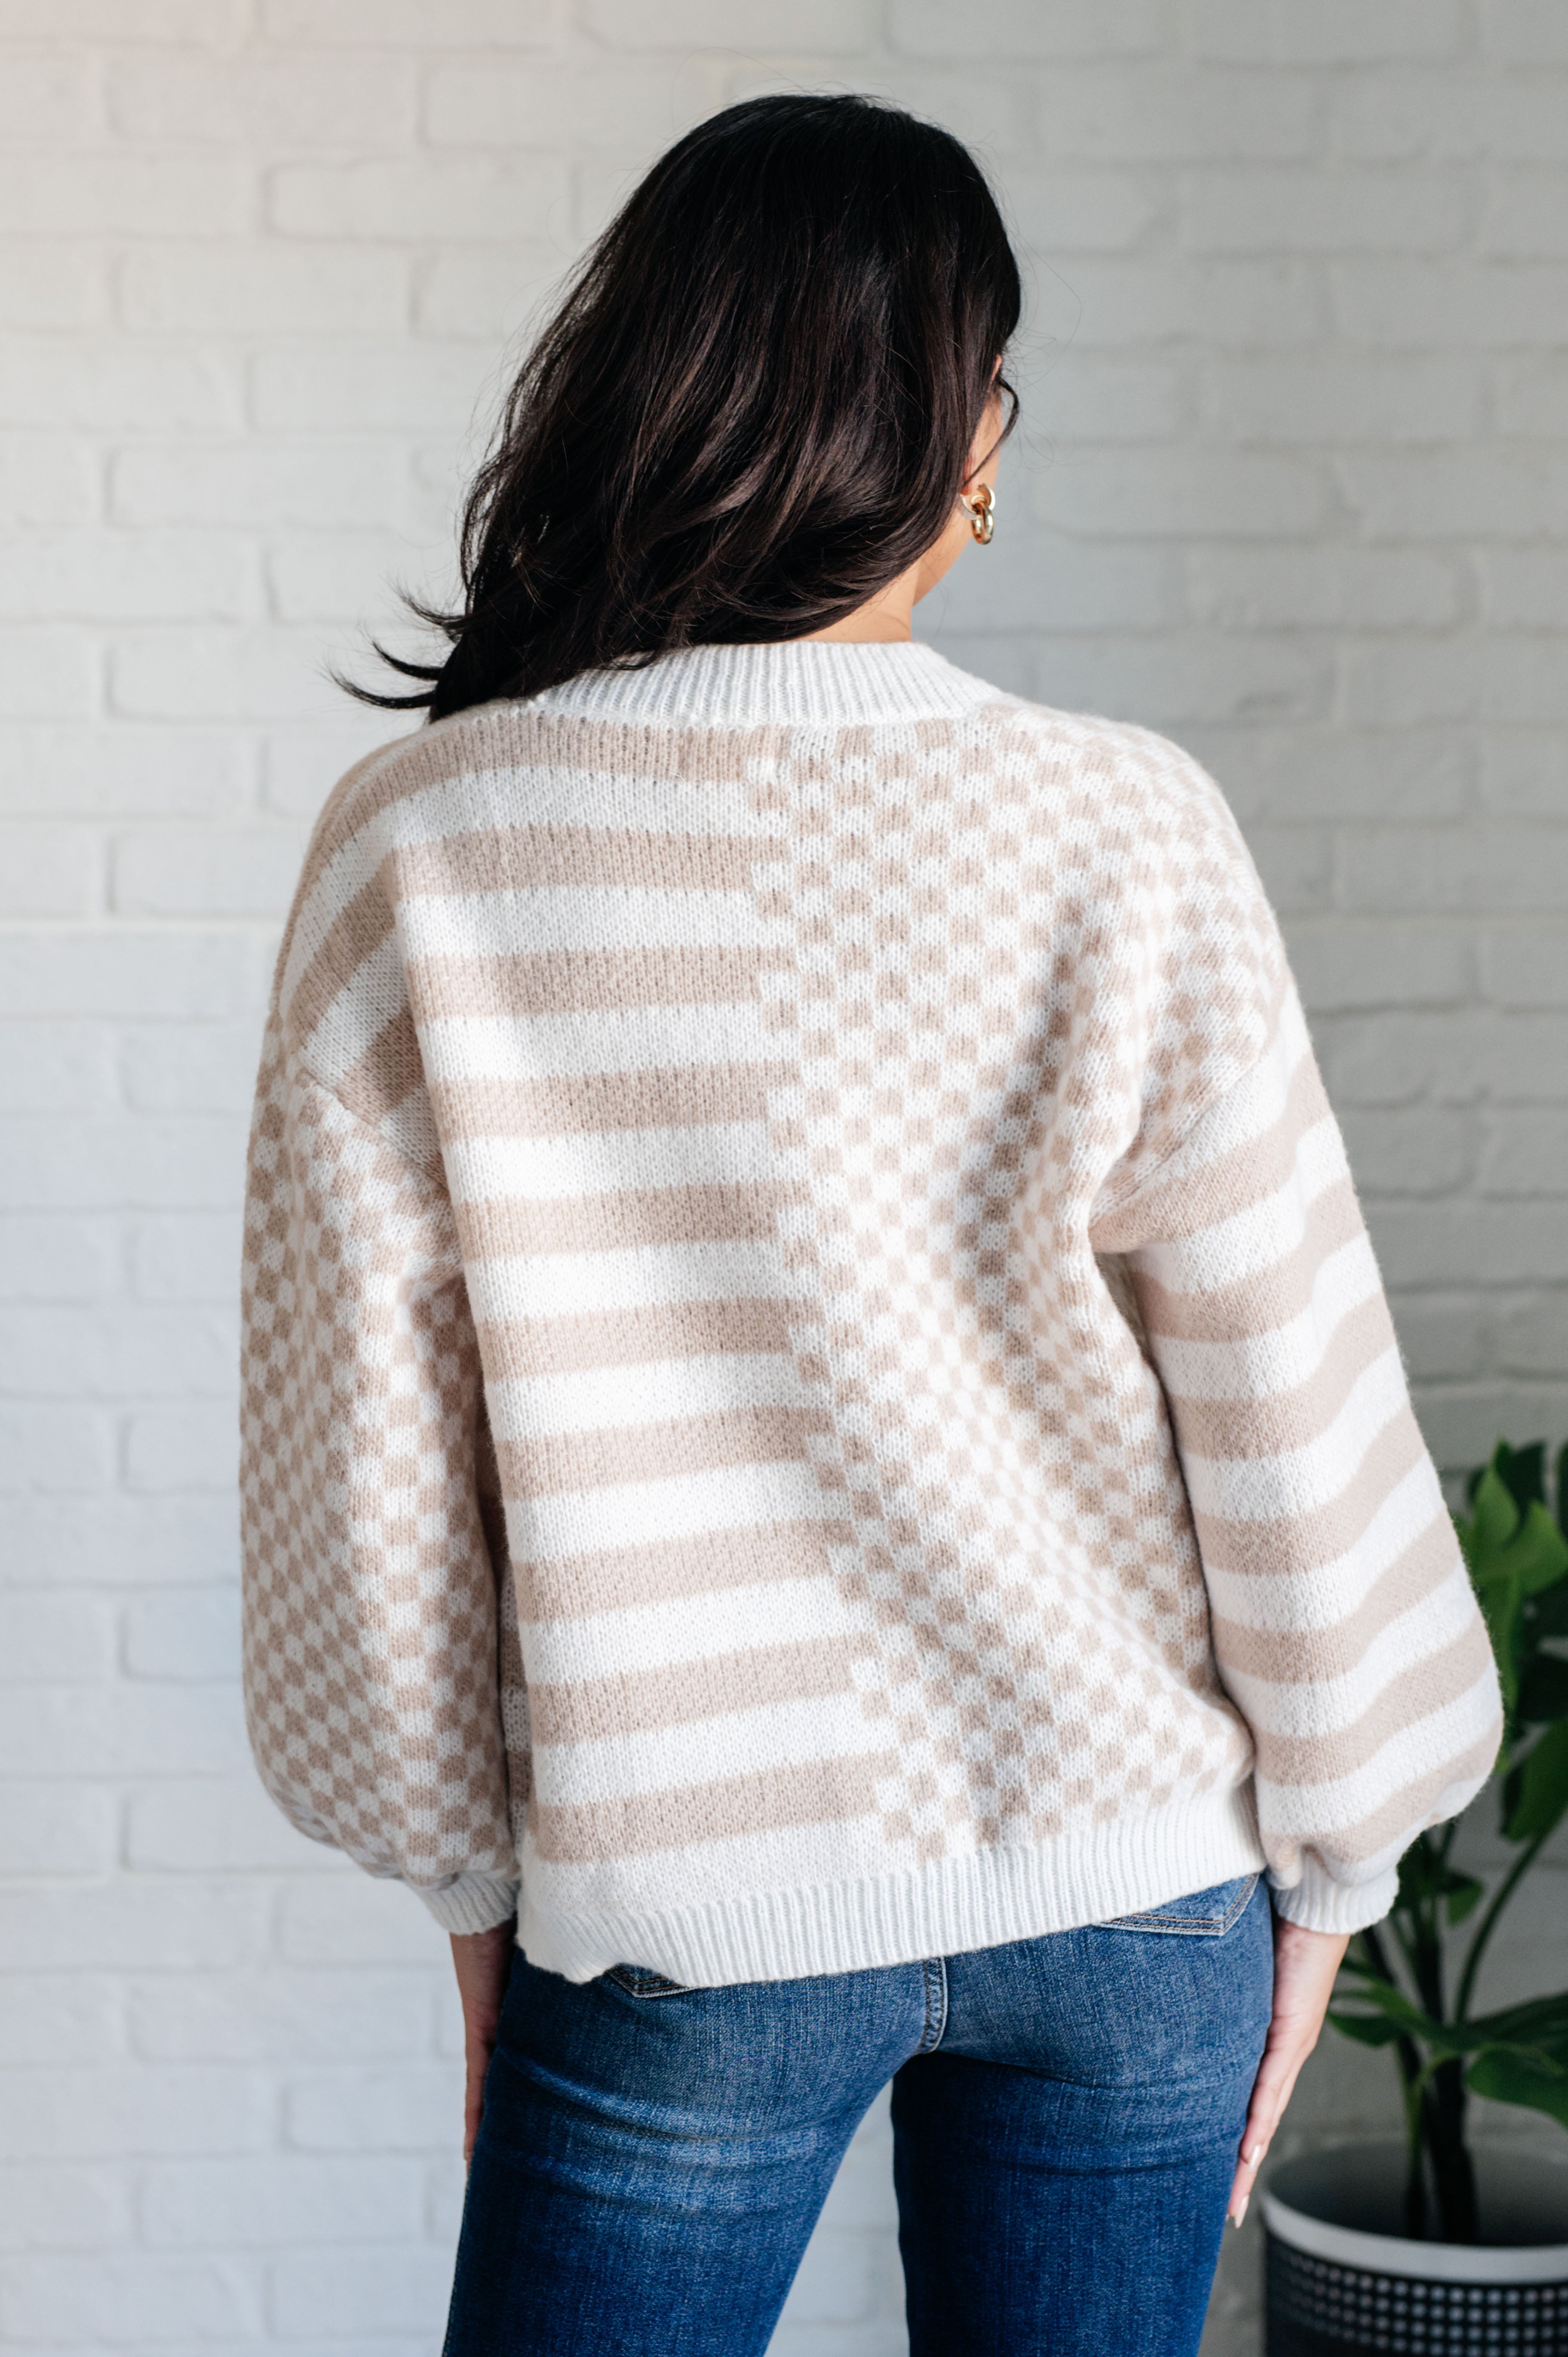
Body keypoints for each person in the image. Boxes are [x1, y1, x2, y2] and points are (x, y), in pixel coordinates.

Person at [239, 94, 1502, 2357]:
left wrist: (469, 1892)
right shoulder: (1122, 823)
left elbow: (368, 1469)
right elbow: (1283, 1375)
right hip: (1141, 1898)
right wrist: (1340, 1865)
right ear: (961, 431)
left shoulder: (423, 841)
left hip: (681, 1909)